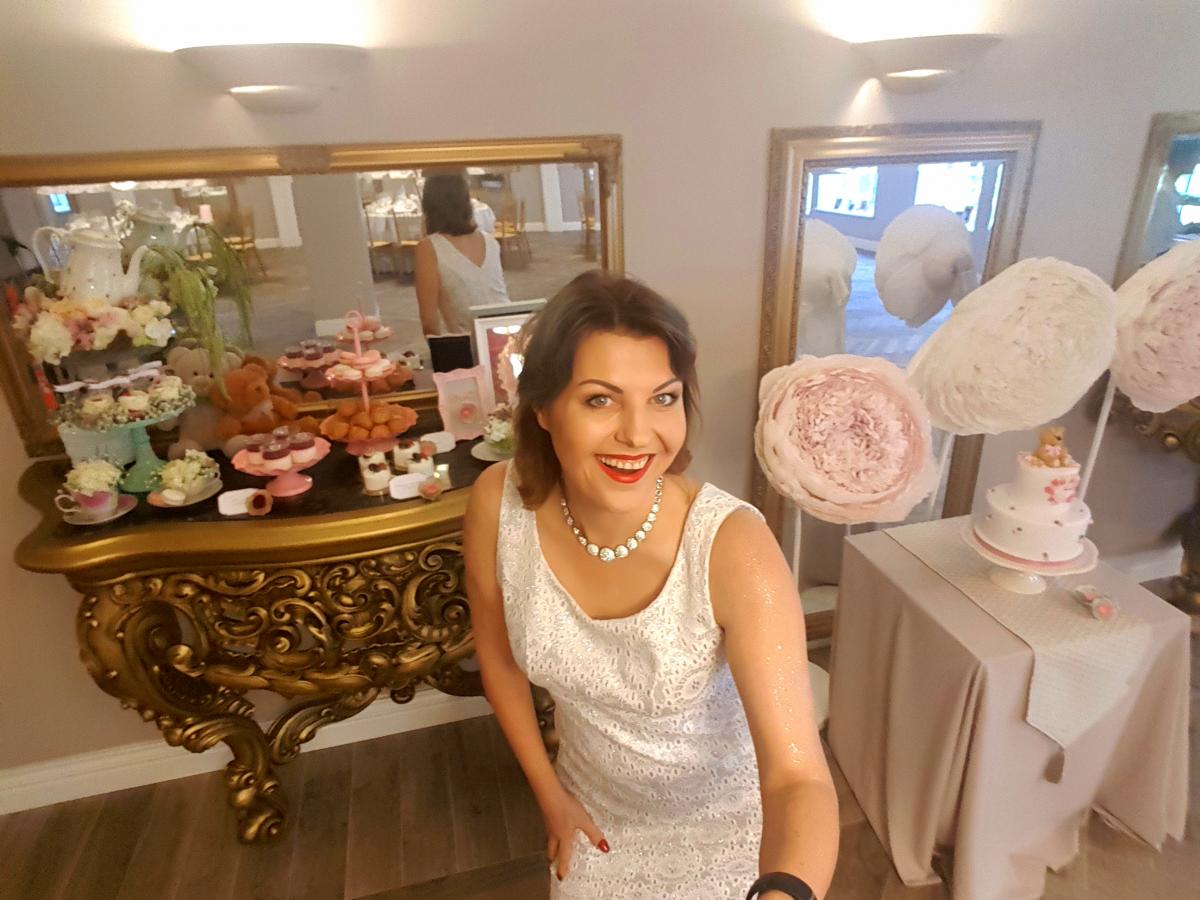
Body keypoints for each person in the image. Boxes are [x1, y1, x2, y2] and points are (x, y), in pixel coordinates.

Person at [463, 271, 839, 899]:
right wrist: (549, 794)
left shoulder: (733, 548)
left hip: (733, 838)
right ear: (544, 409)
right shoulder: (496, 505)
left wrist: (782, 893)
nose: (638, 435)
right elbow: (498, 660)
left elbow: (797, 777)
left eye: (663, 398)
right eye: (600, 400)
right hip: (594, 825)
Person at [414, 169, 510, 343]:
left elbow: (429, 321)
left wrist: (443, 352)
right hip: (507, 331)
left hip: (470, 343)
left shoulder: (429, 248)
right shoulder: (489, 240)